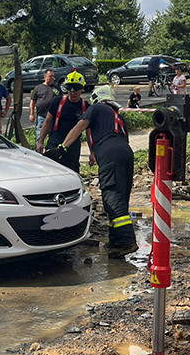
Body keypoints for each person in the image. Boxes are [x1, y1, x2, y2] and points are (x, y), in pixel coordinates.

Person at [53, 84, 137, 258]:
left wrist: (62, 147)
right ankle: (115, 243)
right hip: (126, 152)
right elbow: (111, 136)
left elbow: (79, 127)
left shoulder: (97, 108)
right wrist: (93, 154)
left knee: (112, 197)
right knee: (121, 196)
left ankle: (126, 240)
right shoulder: (117, 116)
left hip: (109, 152)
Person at [36, 70, 88, 172]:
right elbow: (47, 122)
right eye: (70, 90)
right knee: (51, 171)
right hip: (55, 141)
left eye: (76, 91)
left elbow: (89, 132)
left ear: (82, 89)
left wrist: (92, 153)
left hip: (73, 146)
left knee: (72, 172)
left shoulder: (85, 106)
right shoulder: (57, 102)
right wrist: (40, 142)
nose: (72, 93)